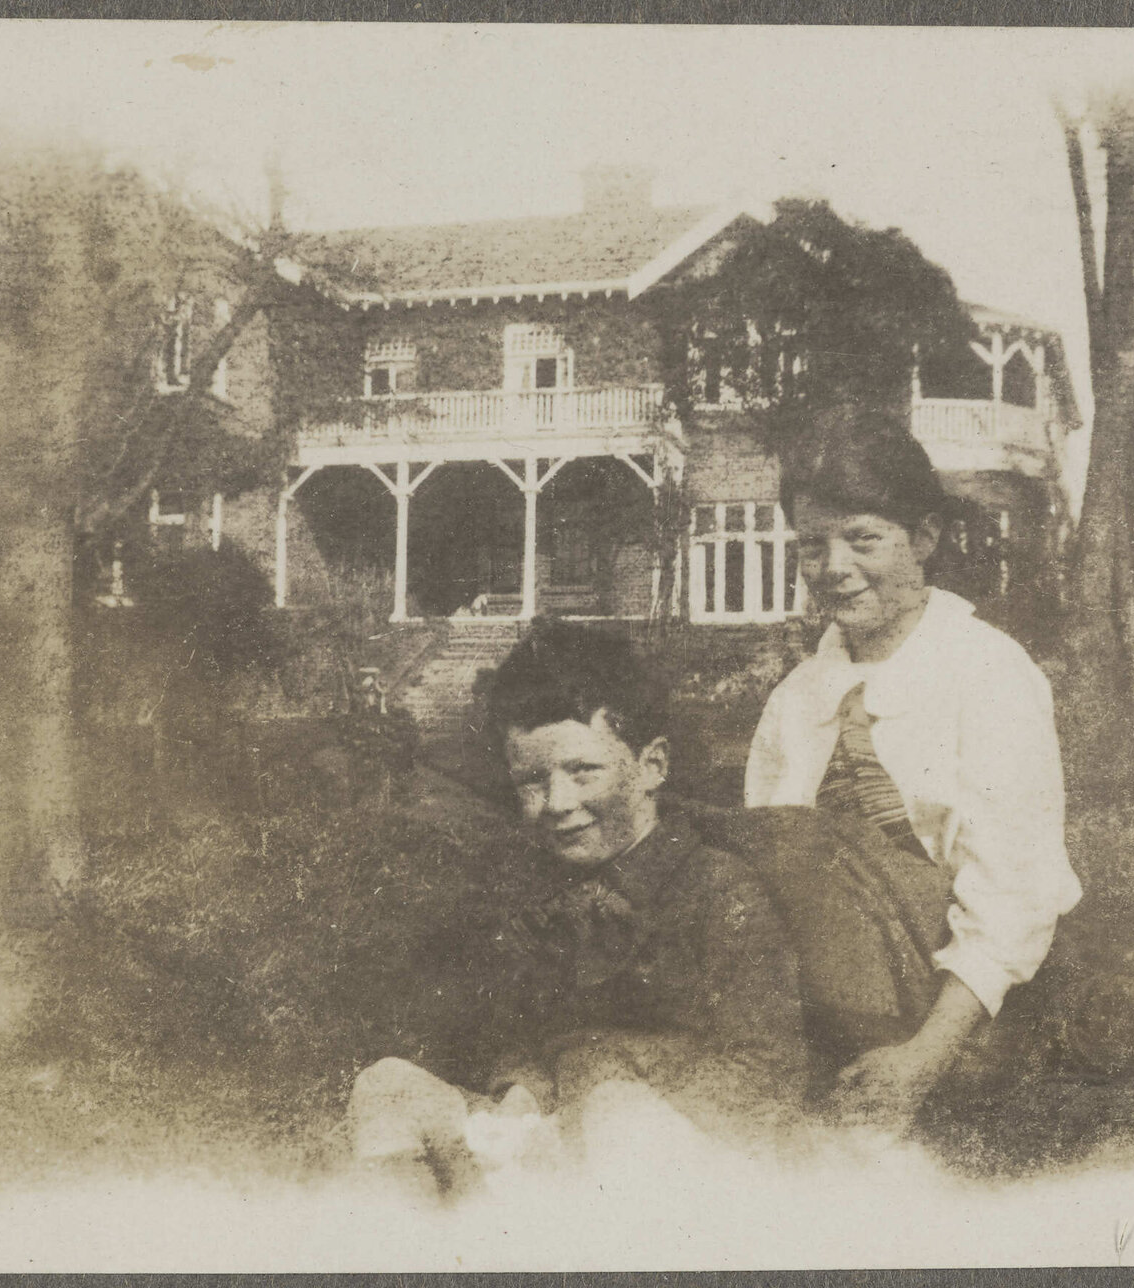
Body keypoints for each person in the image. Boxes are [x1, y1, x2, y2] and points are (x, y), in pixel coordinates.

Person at [348, 622, 810, 1193]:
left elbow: (767, 1073)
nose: (557, 803)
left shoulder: (718, 890)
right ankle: (412, 1239)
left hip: (675, 1144)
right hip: (553, 1130)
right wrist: (522, 1091)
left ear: (652, 766)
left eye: (582, 771)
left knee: (618, 1114)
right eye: (531, 781)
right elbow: (523, 1035)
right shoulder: (533, 891)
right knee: (386, 1086)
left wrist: (599, 1094)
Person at [744, 410, 1082, 1123]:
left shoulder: (987, 672)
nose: (834, 567)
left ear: (924, 538)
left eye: (863, 539)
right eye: (811, 545)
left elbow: (1016, 892)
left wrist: (924, 1058)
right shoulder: (794, 702)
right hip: (826, 1021)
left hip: (971, 1022)